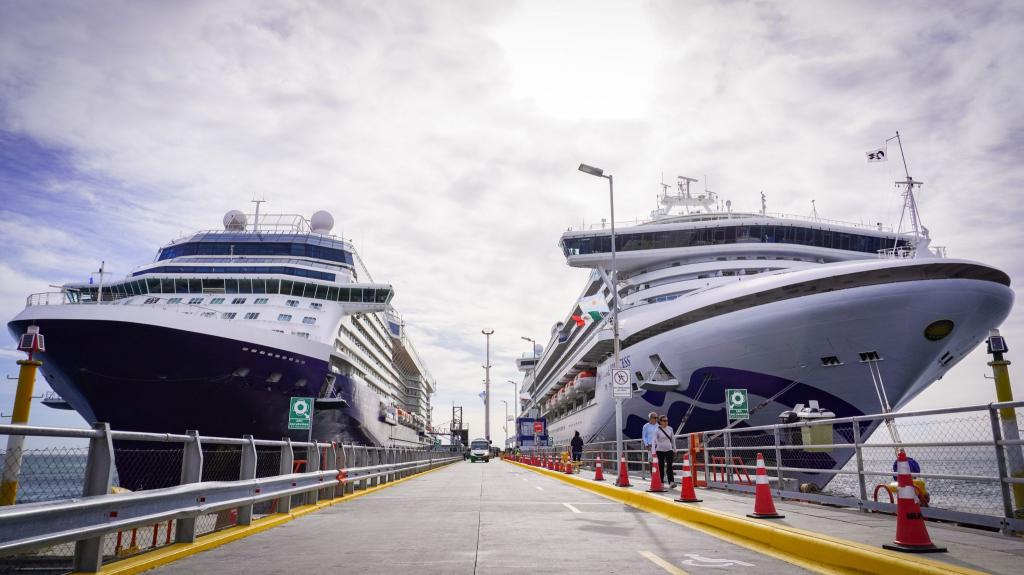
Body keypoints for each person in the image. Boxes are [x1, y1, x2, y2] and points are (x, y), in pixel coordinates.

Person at [651, 415, 676, 488]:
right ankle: (661, 482)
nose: (666, 422)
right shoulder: (657, 430)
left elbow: (673, 439)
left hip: (669, 449)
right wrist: (653, 452)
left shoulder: (670, 429)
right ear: (660, 422)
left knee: (669, 465)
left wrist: (674, 449)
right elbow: (653, 441)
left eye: (667, 421)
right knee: (661, 466)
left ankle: (671, 482)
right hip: (660, 450)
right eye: (664, 421)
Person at [641, 412, 659, 479]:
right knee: (651, 461)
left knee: (658, 461)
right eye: (655, 418)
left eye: (657, 418)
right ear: (650, 418)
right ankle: (653, 477)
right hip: (650, 446)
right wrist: (646, 444)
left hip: (657, 446)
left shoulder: (658, 425)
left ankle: (659, 476)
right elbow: (644, 436)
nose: (656, 419)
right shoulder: (646, 426)